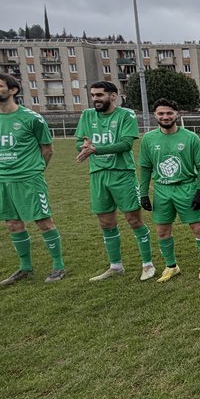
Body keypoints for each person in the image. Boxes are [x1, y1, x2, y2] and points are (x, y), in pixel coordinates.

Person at [0, 74, 67, 285]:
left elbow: (47, 150)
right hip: (2, 179)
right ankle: (25, 267)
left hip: (29, 178)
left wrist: (36, 171)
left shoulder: (32, 118)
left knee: (43, 221)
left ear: (12, 90)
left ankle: (58, 266)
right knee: (13, 224)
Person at [75, 80, 155, 281]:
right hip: (97, 175)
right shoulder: (87, 115)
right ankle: (116, 266)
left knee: (134, 219)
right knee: (105, 222)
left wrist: (96, 149)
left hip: (122, 173)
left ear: (113, 96)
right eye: (93, 95)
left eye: (100, 95)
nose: (95, 99)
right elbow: (80, 142)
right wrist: (83, 147)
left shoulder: (125, 115)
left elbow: (126, 144)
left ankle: (147, 264)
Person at [138, 98, 200, 281]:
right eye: (161, 113)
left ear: (177, 114)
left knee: (197, 227)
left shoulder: (190, 137)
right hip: (162, 190)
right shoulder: (148, 139)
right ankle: (171, 266)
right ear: (155, 115)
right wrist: (144, 194)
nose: (165, 117)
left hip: (186, 188)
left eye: (169, 113)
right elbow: (146, 168)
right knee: (162, 231)